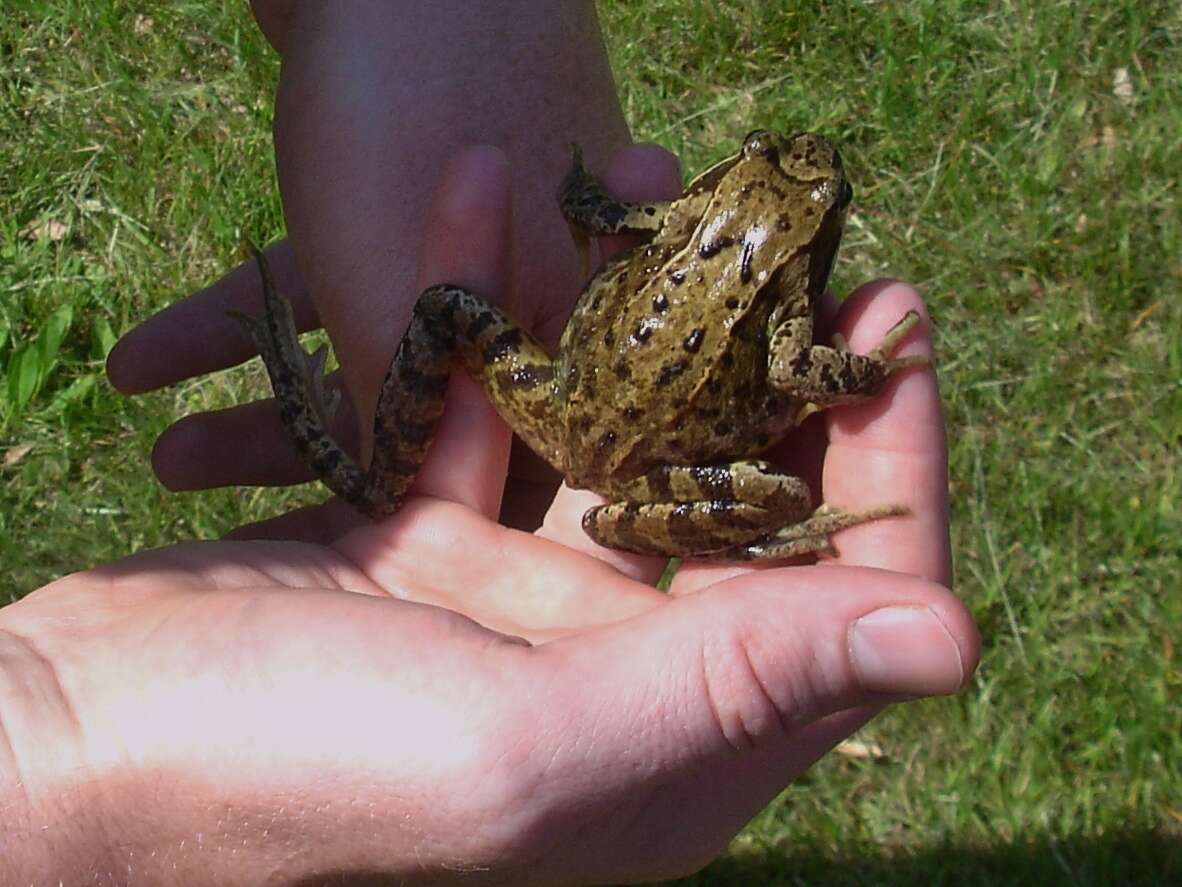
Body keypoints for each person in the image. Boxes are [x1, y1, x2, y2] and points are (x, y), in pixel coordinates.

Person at [2, 4, 979, 882]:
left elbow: (597, 211)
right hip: (646, 465)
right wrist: (869, 371)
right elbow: (805, 372)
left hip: (560, 402)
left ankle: (380, 472)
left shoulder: (679, 213)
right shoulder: (763, 287)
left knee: (452, 311)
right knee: (779, 493)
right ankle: (399, 476)